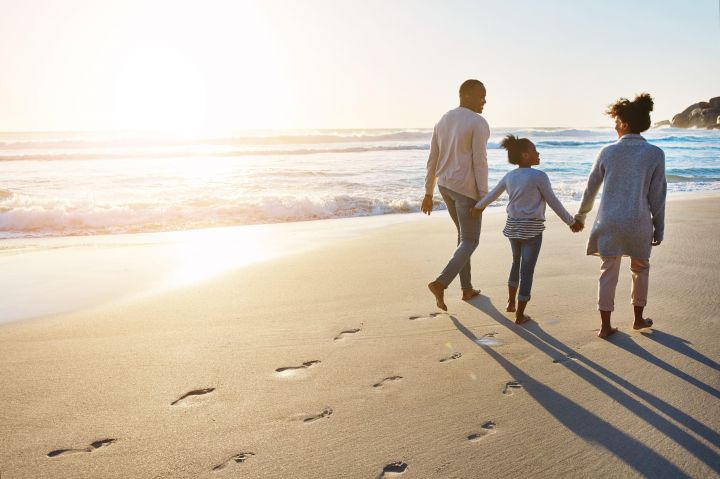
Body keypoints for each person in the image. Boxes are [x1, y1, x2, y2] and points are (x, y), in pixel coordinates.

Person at [574, 93, 666, 339]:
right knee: (641, 268)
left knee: (608, 271)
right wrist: (660, 227)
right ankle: (638, 319)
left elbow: (590, 188)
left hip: (610, 222)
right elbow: (658, 196)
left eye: (616, 121)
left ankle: (605, 326)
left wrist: (581, 216)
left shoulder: (607, 152)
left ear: (624, 123)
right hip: (639, 222)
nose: (614, 125)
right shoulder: (655, 153)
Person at [472, 135, 583, 324]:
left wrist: (478, 207)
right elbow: (553, 201)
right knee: (527, 271)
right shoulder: (539, 176)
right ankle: (520, 314)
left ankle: (510, 303)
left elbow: (492, 195)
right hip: (531, 229)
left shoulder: (509, 176)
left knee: (516, 263)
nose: (538, 153)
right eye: (534, 150)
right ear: (525, 155)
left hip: (513, 226)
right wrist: (571, 222)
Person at [422, 79, 490, 311]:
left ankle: (467, 289)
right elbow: (479, 161)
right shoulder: (478, 122)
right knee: (470, 240)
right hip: (465, 190)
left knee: (463, 237)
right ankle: (441, 283)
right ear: (467, 96)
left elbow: (432, 158)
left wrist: (428, 193)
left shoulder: (443, 120)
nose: (484, 101)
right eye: (481, 96)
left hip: (445, 187)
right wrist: (484, 197)